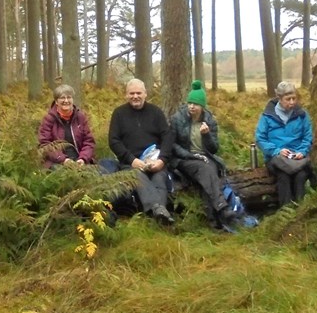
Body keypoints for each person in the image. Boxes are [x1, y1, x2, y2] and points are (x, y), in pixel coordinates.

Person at [170, 80, 237, 227]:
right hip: (184, 158)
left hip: (206, 158)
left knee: (208, 173)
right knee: (206, 169)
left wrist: (206, 135)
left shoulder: (209, 121)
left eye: (196, 104)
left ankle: (215, 222)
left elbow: (214, 149)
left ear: (202, 106)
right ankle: (222, 207)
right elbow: (172, 145)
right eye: (190, 103)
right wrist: (191, 156)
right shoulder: (178, 119)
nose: (192, 107)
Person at [108, 78, 175, 226]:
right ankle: (159, 210)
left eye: (139, 93)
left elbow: (167, 137)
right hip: (130, 164)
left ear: (145, 94)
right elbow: (113, 141)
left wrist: (161, 160)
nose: (135, 96)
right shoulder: (119, 114)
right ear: (126, 95)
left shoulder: (156, 112)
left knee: (159, 178)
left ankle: (158, 213)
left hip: (155, 161)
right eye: (131, 93)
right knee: (137, 176)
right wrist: (132, 160)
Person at [255, 81, 314, 207]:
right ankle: (286, 212)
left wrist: (302, 151)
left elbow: (307, 137)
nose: (292, 102)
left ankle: (302, 210)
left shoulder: (302, 115)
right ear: (279, 99)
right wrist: (277, 151)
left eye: (294, 98)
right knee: (284, 175)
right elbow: (260, 139)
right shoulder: (267, 116)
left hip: (297, 158)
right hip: (276, 158)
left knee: (300, 175)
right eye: (288, 99)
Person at [37, 84, 96, 168]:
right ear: (56, 101)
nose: (66, 100)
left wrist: (83, 158)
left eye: (69, 97)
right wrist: (63, 160)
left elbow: (89, 142)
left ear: (72, 100)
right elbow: (45, 145)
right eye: (62, 98)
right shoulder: (49, 119)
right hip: (57, 162)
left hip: (79, 160)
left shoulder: (80, 117)